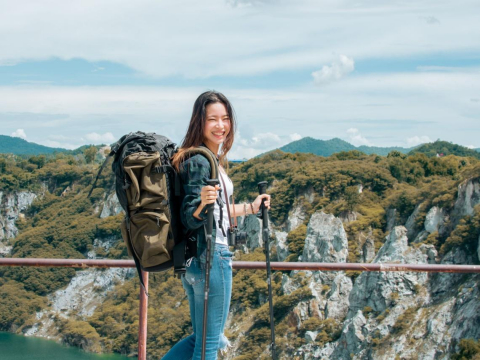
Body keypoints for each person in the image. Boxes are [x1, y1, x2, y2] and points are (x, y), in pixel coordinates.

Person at [162, 90, 271, 360]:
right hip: (212, 258)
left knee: (202, 339)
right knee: (209, 345)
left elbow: (216, 211)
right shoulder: (200, 161)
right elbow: (192, 214)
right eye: (213, 119)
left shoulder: (199, 157)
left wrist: (251, 208)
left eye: (225, 119)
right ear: (200, 122)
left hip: (193, 260)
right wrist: (200, 204)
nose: (221, 126)